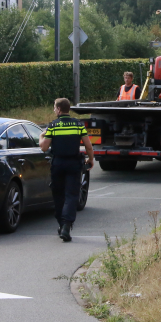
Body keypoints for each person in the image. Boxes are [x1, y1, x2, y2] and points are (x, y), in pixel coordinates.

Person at [39, 98, 94, 242]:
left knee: (58, 194)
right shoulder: (78, 124)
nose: (53, 110)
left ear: (58, 109)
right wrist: (91, 159)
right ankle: (67, 226)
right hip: (73, 164)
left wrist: (40, 137)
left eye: (54, 108)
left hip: (58, 164)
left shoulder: (53, 126)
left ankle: (62, 224)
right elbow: (88, 145)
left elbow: (44, 147)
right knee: (71, 195)